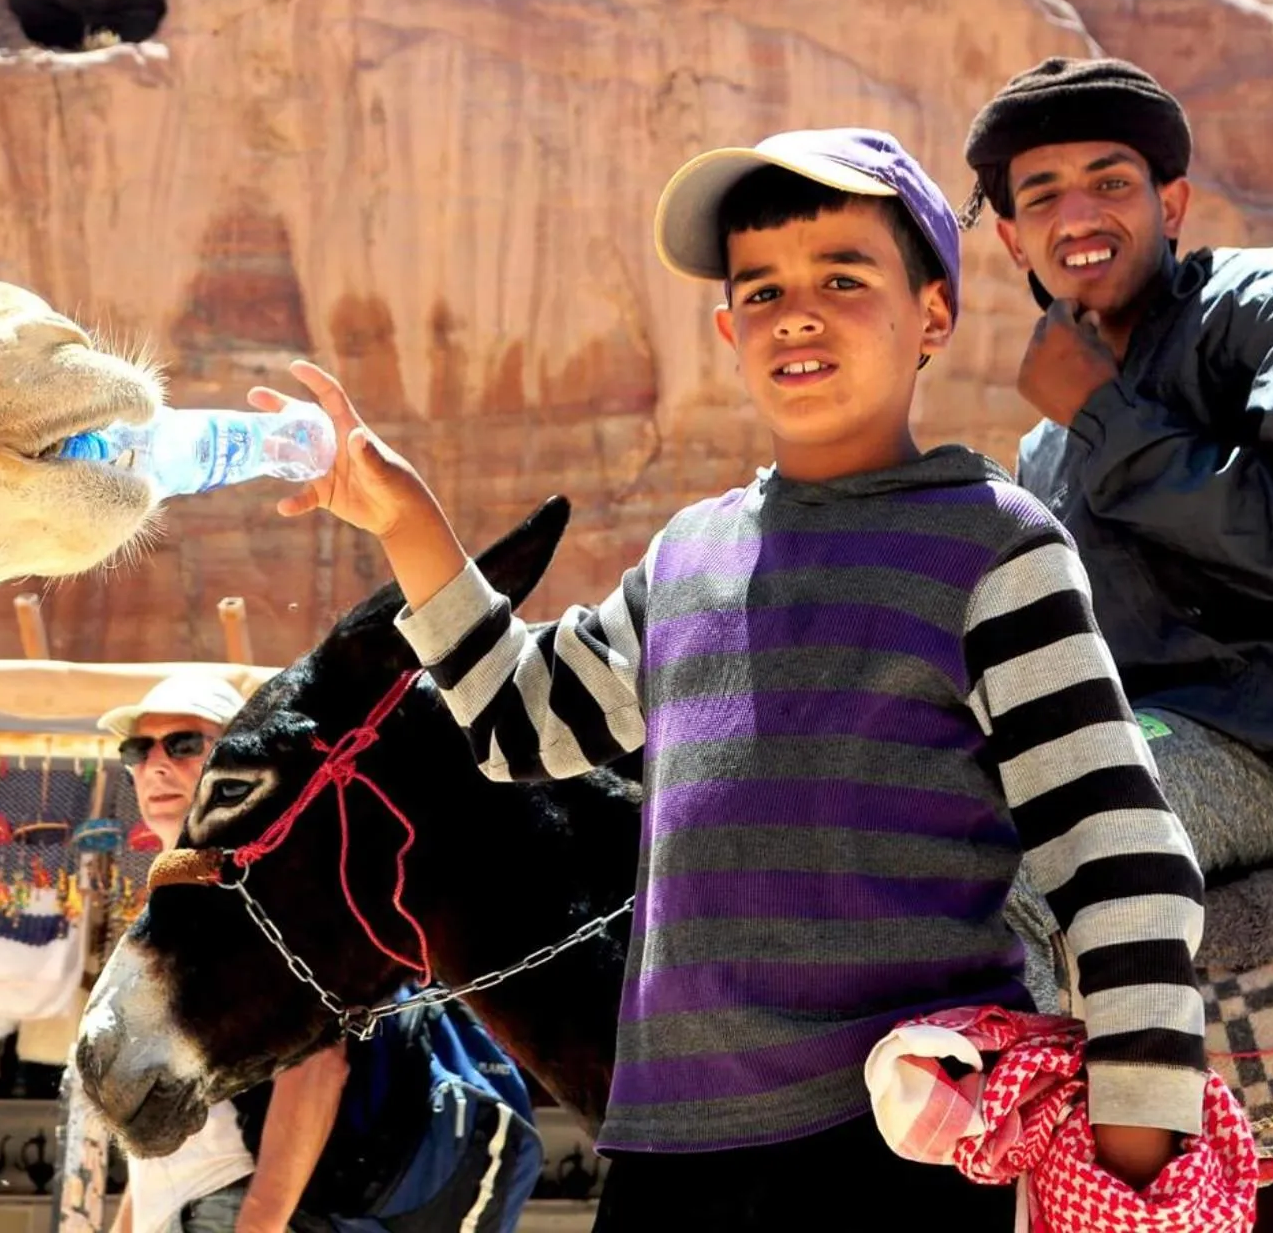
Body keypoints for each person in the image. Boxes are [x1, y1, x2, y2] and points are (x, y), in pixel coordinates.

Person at [248, 129, 1208, 1229]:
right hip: (669, 1146)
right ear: (726, 332)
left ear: (931, 315)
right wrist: (407, 522)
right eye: (760, 291)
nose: (794, 313)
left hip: (896, 1143)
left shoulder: (995, 546)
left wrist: (1136, 1148)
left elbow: (1117, 853)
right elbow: (523, 728)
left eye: (843, 278)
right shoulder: (685, 555)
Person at [962, 55, 1273, 877]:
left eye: (1110, 185)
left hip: (1271, 743)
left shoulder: (1266, 305)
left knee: (1040, 842)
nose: (1076, 218)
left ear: (1171, 205)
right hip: (1131, 737)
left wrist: (1103, 417)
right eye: (1041, 196)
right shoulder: (1042, 455)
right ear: (1012, 239)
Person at [97, 674, 350, 1233]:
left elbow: (314, 1068)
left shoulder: (258, 895)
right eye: (137, 750)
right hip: (184, 1207)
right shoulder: (180, 900)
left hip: (230, 1201)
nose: (155, 765)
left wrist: (257, 1225)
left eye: (183, 744)